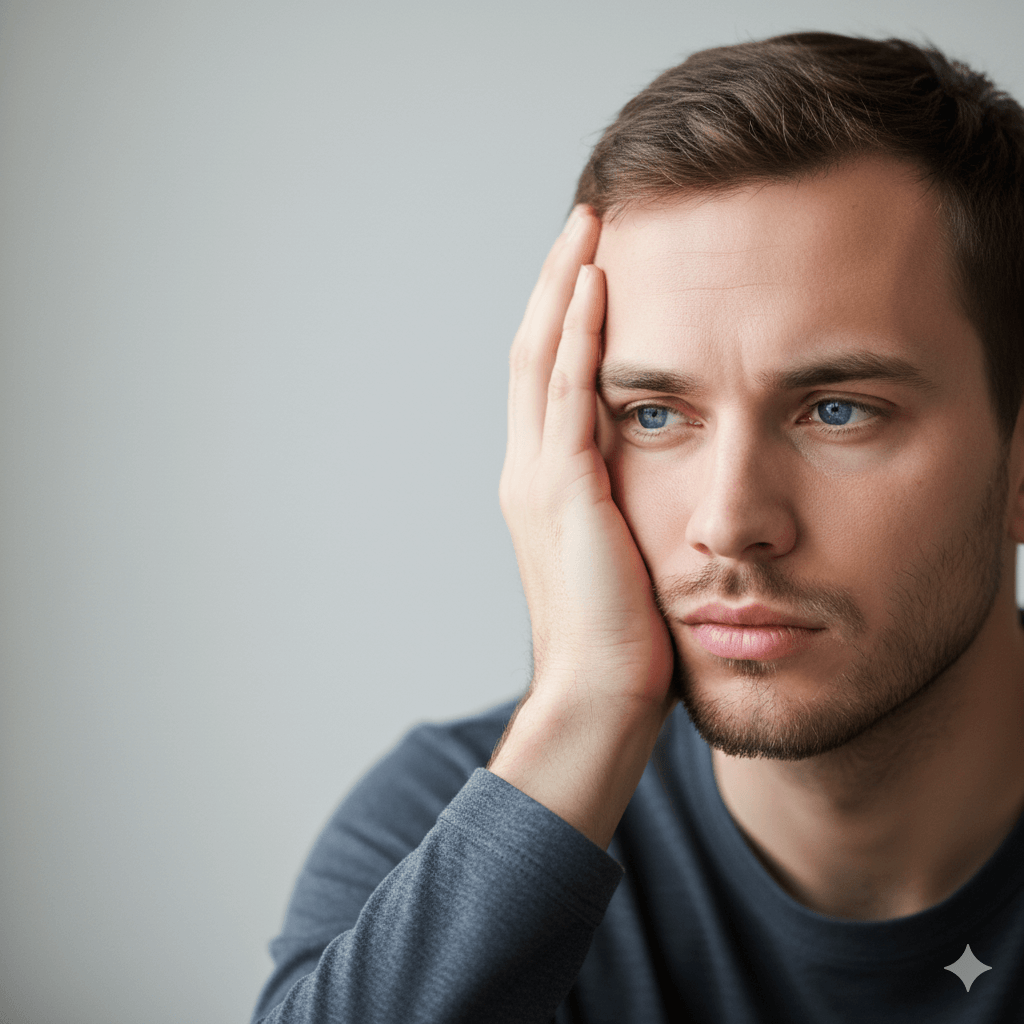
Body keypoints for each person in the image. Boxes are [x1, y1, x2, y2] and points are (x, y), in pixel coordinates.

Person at [251, 31, 1024, 1023]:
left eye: (836, 408)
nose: (728, 523)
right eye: (654, 416)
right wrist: (583, 707)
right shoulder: (449, 823)